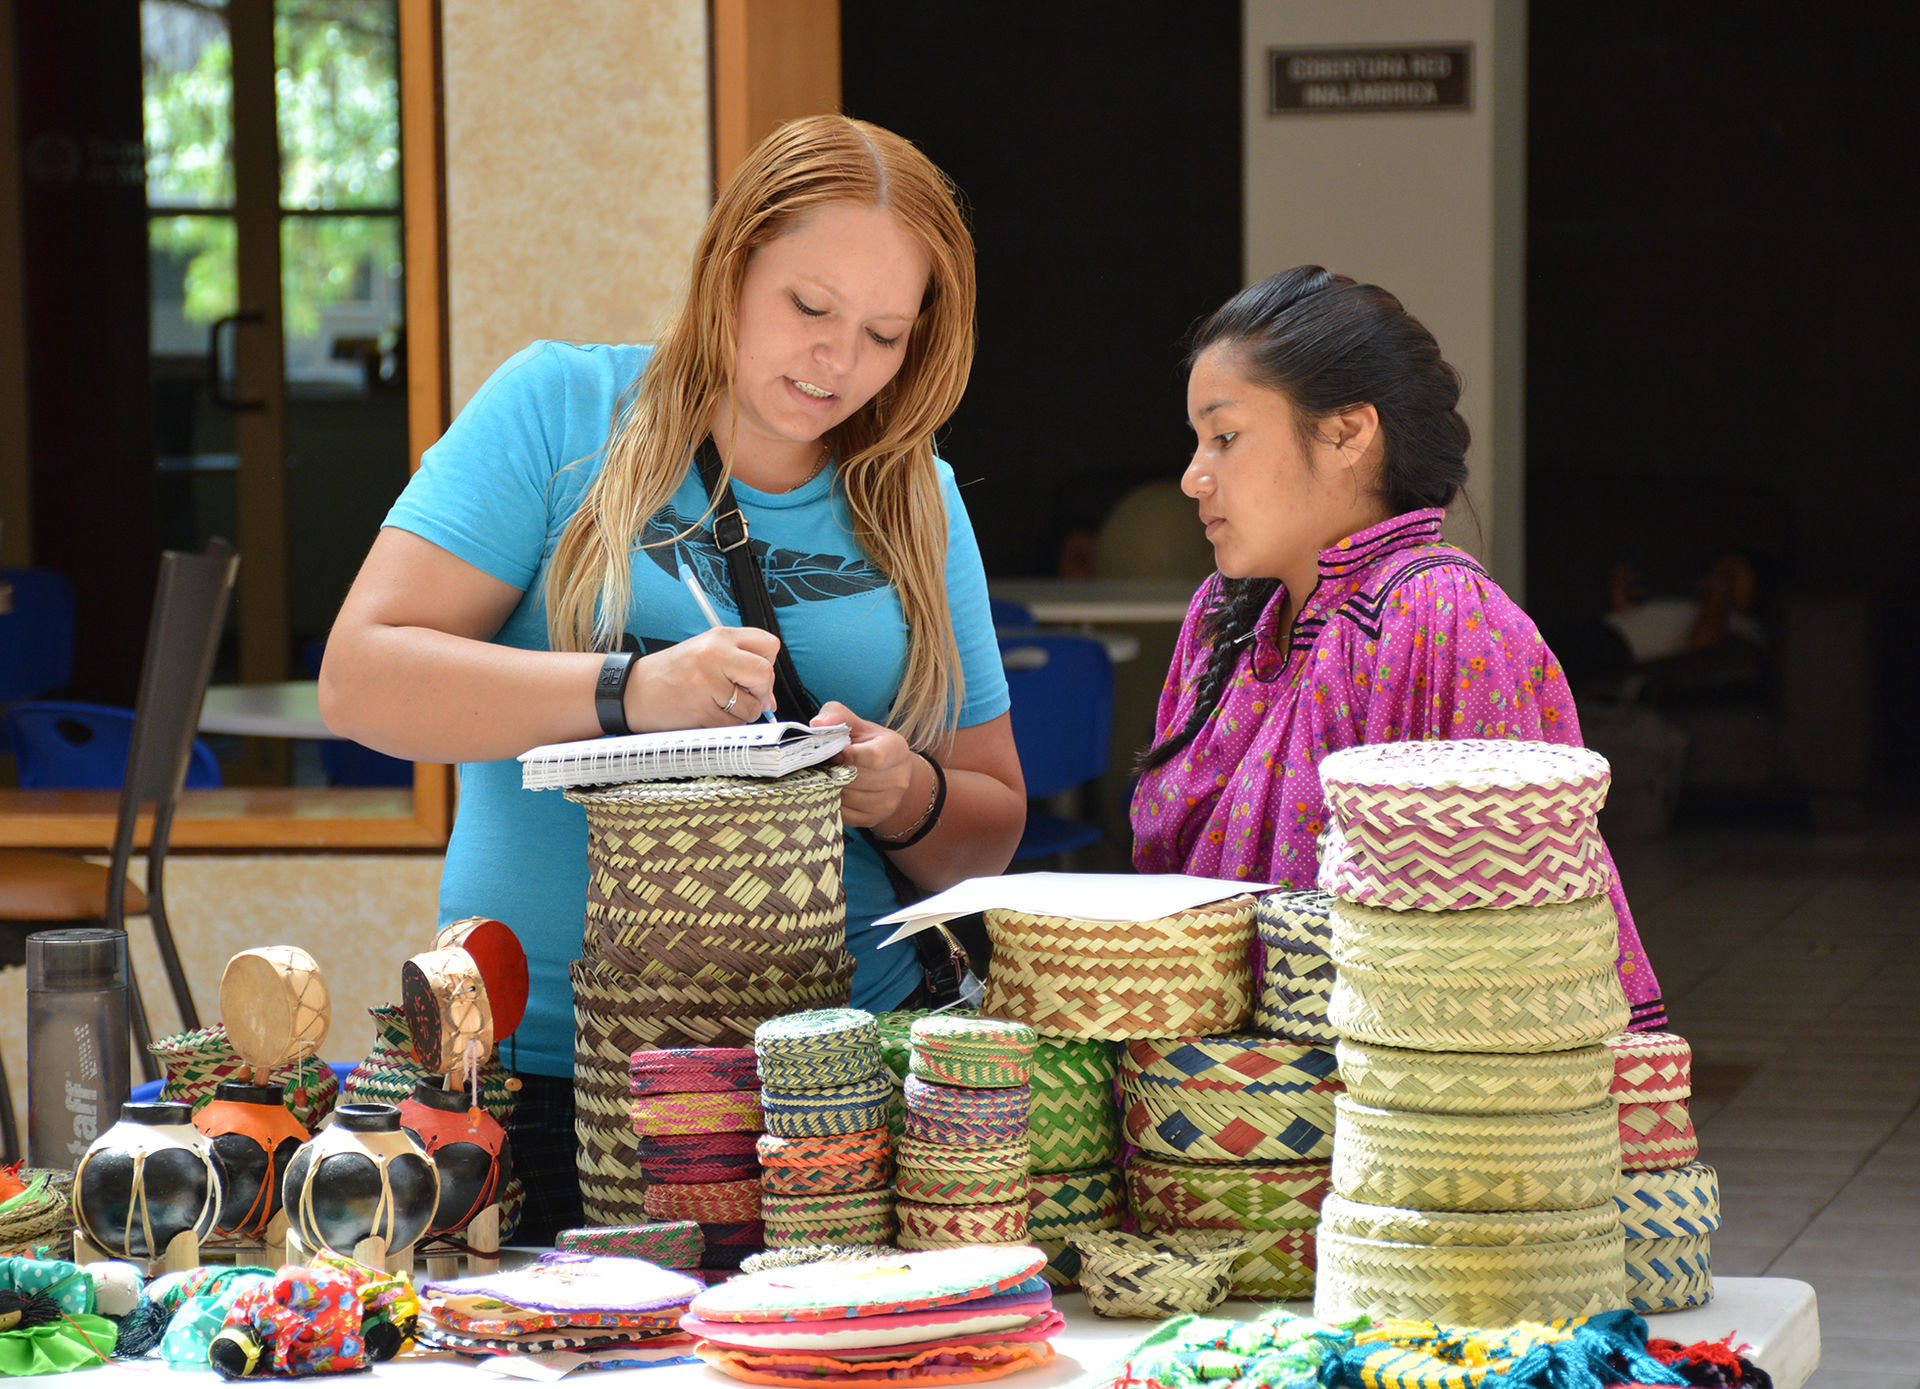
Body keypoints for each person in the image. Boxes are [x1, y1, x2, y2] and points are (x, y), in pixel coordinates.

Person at [319, 116, 1026, 1239]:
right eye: (809, 308)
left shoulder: (916, 493)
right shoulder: (558, 411)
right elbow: (360, 682)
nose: (839, 362)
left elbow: (987, 828)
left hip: (828, 1089)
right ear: (730, 263)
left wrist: (904, 793)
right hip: (545, 1082)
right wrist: (627, 695)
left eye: (886, 333)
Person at [1130, 266, 1664, 1030]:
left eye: (1225, 437)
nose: (1192, 478)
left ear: (1348, 432)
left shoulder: (1435, 615)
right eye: (1196, 442)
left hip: (1388, 1119)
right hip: (1205, 1106)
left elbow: (1489, 950)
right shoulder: (1223, 618)